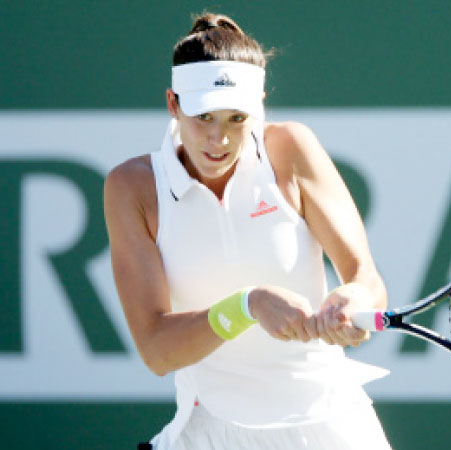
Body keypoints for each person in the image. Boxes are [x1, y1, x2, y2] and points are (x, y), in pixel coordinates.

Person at [104, 12, 393, 450]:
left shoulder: (290, 148)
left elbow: (366, 278)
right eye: (203, 117)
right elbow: (157, 351)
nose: (218, 139)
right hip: (207, 430)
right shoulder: (133, 186)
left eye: (237, 118)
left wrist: (353, 299)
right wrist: (247, 305)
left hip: (333, 423)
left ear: (259, 105)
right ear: (173, 104)